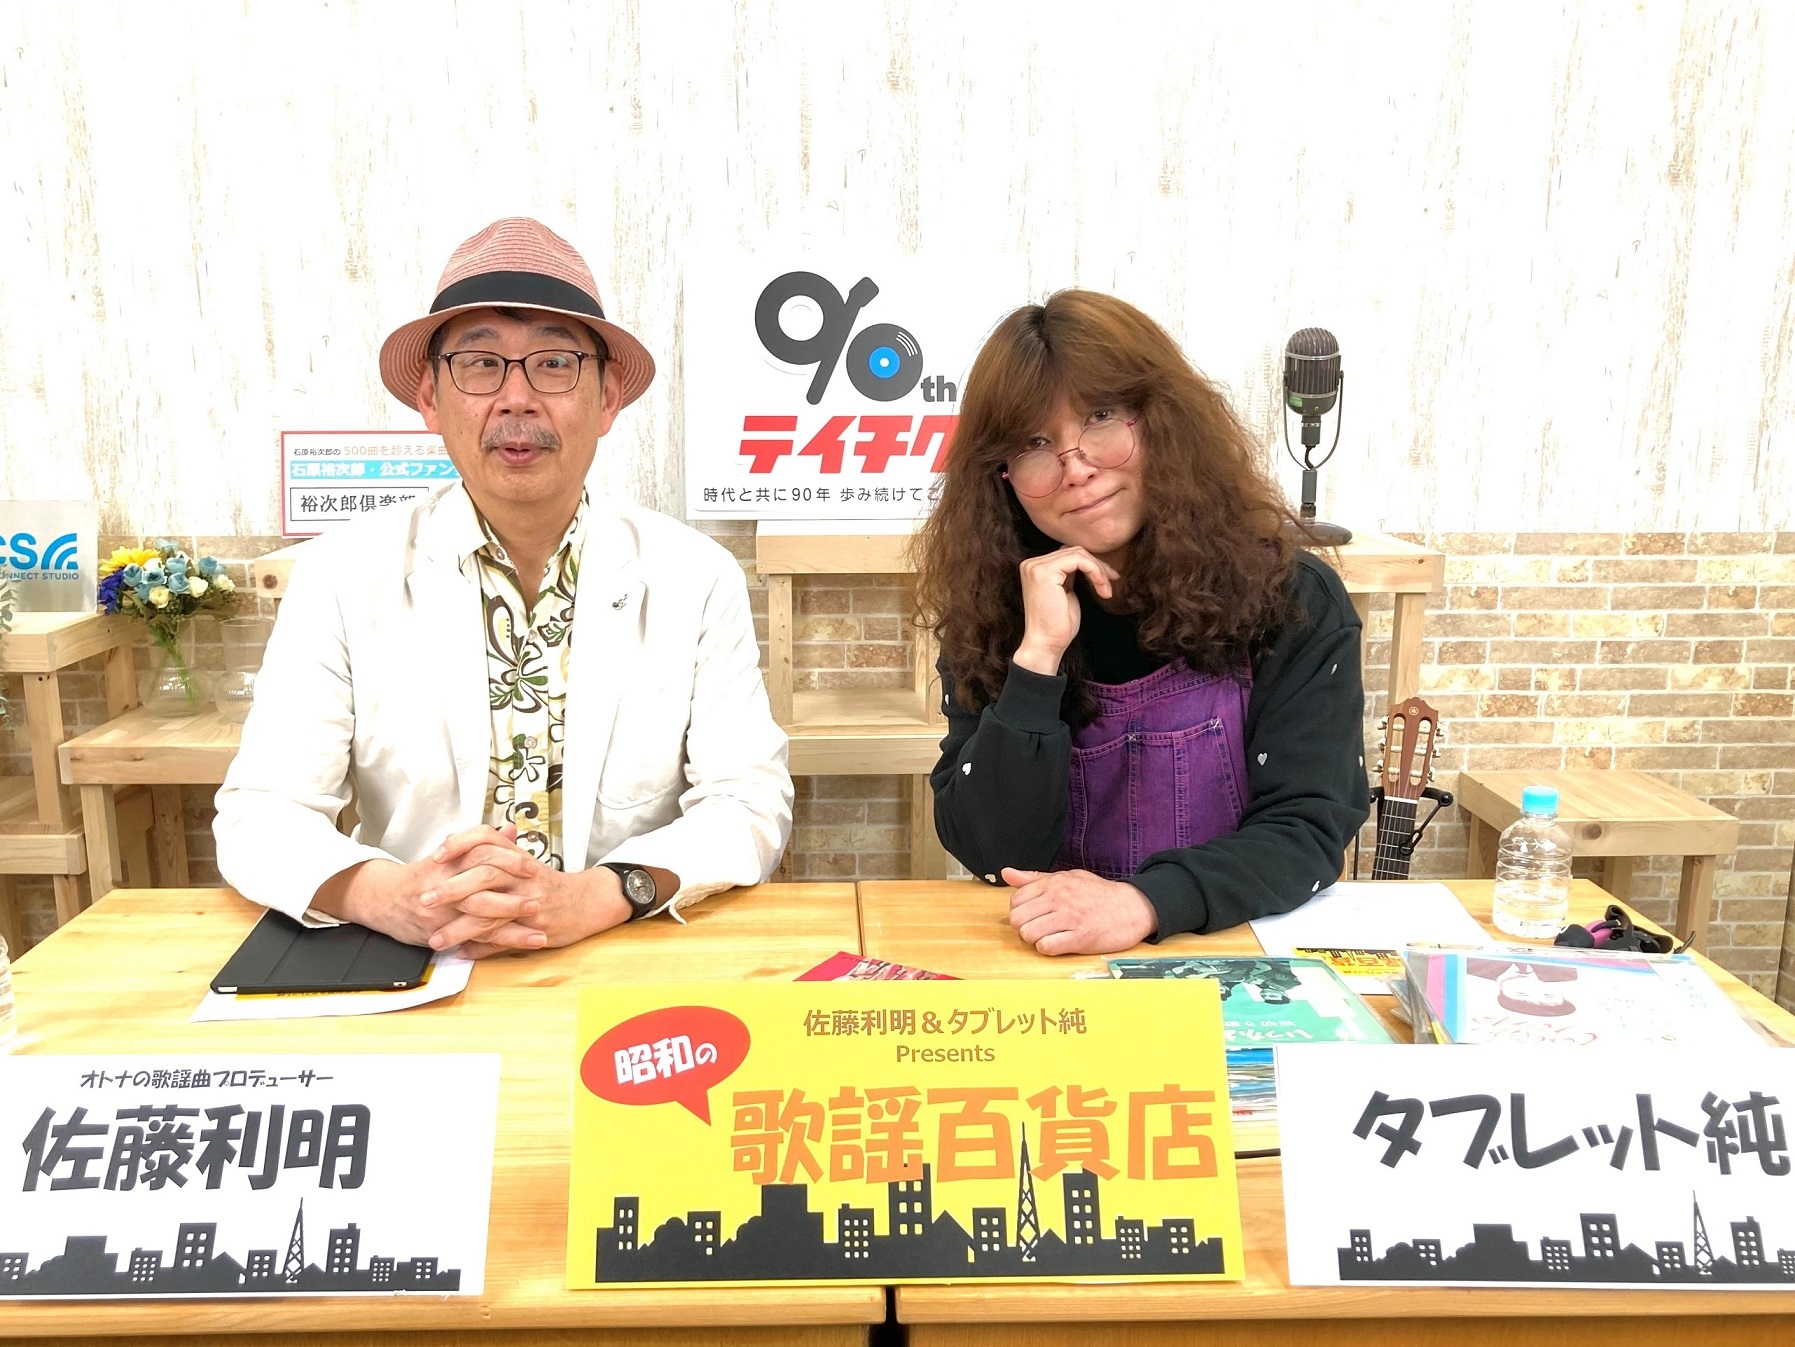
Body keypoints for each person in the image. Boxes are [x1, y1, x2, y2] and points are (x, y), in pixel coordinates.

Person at [215, 218, 791, 956]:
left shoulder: (694, 575)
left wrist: (602, 893)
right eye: (480, 364)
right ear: (430, 399)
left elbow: (748, 801)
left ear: (607, 398)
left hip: (619, 948)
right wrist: (397, 898)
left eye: (554, 363)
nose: (517, 398)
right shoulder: (341, 574)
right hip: (410, 952)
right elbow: (263, 812)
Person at [913, 290, 1368, 956]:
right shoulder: (995, 610)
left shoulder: (1289, 596)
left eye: (1100, 418)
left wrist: (1143, 902)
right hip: (1053, 962)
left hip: (1228, 952)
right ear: (1001, 477)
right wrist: (1037, 657)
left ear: (1163, 423)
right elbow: (991, 850)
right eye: (1035, 444)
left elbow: (1307, 829)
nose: (1076, 469)